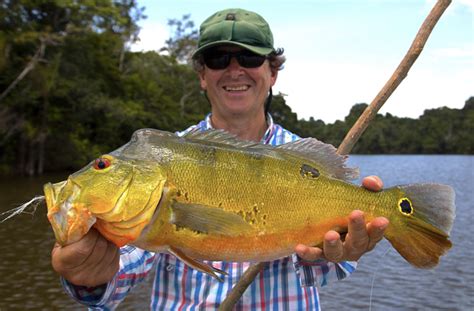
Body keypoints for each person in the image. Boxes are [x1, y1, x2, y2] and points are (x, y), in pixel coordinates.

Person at [51, 8, 389, 310]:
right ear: (202, 76)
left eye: (249, 58)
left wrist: (344, 250)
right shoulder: (162, 157)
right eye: (218, 60)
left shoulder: (301, 160)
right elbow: (122, 268)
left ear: (273, 73)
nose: (234, 70)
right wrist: (90, 278)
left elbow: (332, 265)